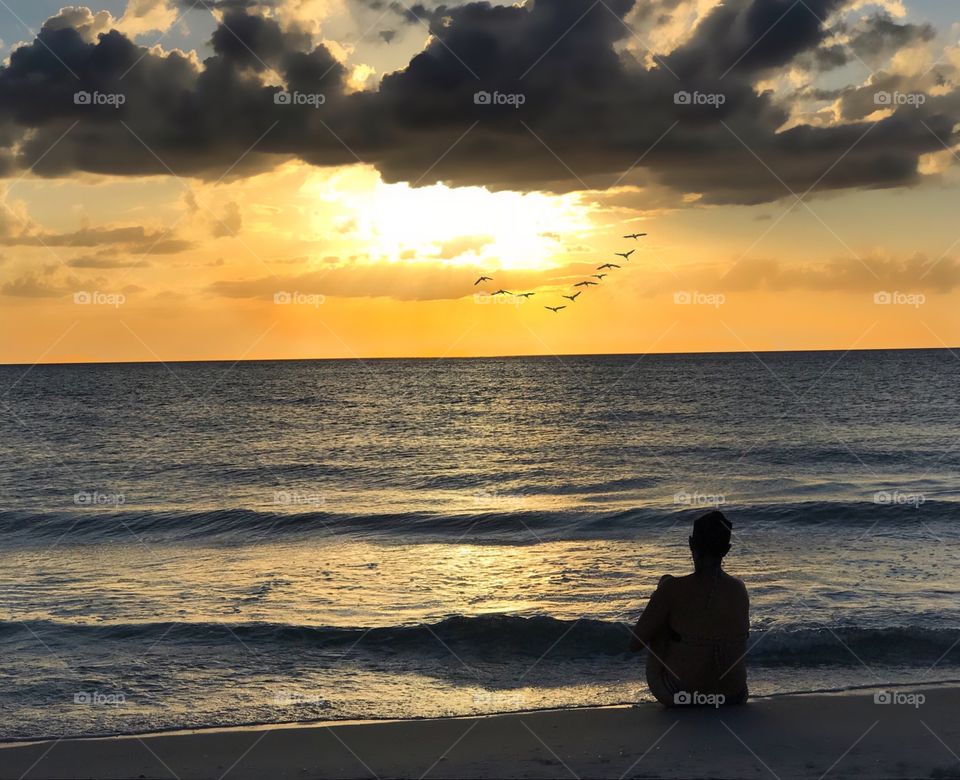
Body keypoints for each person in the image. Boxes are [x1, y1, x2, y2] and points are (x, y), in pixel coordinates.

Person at [629, 510, 749, 706]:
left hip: (682, 695)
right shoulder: (739, 588)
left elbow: (635, 644)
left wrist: (661, 603)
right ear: (727, 549)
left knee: (664, 590)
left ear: (691, 543)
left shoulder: (672, 589)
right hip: (733, 694)